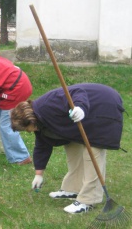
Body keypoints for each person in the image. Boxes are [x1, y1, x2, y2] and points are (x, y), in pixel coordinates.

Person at [10, 83, 124, 213]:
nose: (29, 132)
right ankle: (73, 187)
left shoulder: (48, 104)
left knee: (93, 151)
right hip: (88, 111)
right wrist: (39, 174)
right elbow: (42, 146)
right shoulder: (39, 120)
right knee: (72, 145)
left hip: (103, 104)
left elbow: (78, 92)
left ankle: (89, 199)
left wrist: (80, 108)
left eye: (26, 129)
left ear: (30, 120)